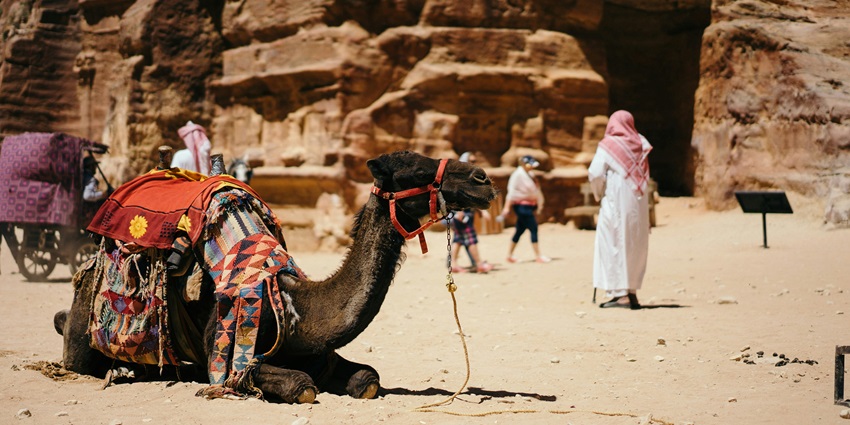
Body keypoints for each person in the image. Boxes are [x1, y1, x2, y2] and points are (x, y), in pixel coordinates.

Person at [589, 110, 653, 310]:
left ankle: (620, 294)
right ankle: (631, 292)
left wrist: (598, 193)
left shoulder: (609, 145)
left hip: (616, 201)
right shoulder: (641, 143)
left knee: (614, 242)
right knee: (634, 243)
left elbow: (595, 172)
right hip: (638, 202)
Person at [499, 155, 550, 264]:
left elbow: (536, 190)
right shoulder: (517, 175)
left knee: (519, 230)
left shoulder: (530, 174)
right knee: (533, 228)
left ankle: (509, 255)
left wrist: (540, 203)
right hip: (521, 206)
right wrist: (506, 208)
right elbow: (511, 192)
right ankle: (538, 256)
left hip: (530, 206)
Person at [450, 152, 493, 273]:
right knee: (471, 239)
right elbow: (456, 195)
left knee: (458, 240)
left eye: (475, 161)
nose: (474, 164)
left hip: (464, 213)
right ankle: (479, 264)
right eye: (472, 161)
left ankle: (453, 264)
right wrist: (459, 211)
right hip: (462, 214)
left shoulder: (468, 177)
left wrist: (481, 211)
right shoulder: (460, 178)